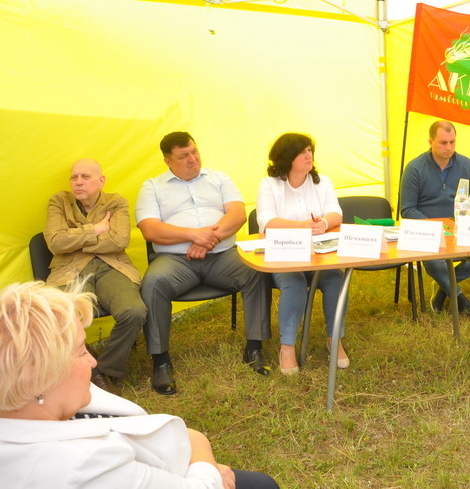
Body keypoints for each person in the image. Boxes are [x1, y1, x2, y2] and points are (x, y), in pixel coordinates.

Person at [0, 279, 280, 489]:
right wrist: (201, 452)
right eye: (81, 350)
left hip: (167, 462)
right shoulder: (78, 465)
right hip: (183, 469)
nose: (93, 362)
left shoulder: (42, 399)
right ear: (37, 376)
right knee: (263, 485)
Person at [136, 132, 272, 395]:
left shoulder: (218, 178)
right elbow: (150, 230)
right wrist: (193, 235)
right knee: (153, 282)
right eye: (183, 156)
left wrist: (207, 240)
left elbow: (237, 214)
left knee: (255, 270)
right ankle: (161, 361)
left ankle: (254, 348)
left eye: (194, 151)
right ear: (167, 161)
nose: (193, 159)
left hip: (222, 256)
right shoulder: (152, 187)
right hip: (175, 261)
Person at [43, 158, 147, 395]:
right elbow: (55, 242)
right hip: (70, 269)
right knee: (62, 317)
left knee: (134, 311)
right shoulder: (59, 202)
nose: (78, 182)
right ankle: (95, 376)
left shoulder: (116, 202)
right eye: (74, 177)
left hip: (112, 265)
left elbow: (119, 241)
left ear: (101, 181)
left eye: (85, 177)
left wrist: (75, 240)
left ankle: (104, 370)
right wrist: (95, 229)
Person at [256, 133, 348, 373]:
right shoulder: (269, 184)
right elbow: (266, 221)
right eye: (302, 151)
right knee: (295, 284)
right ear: (287, 157)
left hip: (318, 257)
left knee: (336, 280)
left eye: (310, 150)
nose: (309, 155)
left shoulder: (322, 182)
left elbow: (336, 213)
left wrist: (323, 223)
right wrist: (302, 227)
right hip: (284, 257)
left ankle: (334, 339)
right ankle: (287, 347)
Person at [399, 120, 470, 317]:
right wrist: (439, 227)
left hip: (459, 229)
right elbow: (407, 209)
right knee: (435, 262)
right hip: (429, 233)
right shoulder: (415, 168)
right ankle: (458, 296)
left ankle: (443, 288)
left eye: (452, 142)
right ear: (430, 142)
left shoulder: (465, 164)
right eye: (443, 142)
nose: (449, 147)